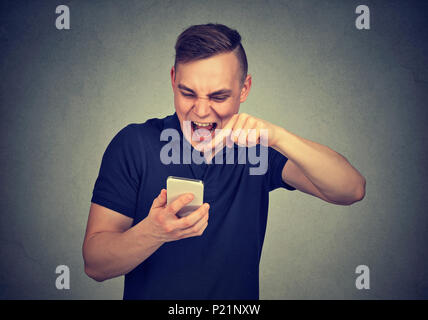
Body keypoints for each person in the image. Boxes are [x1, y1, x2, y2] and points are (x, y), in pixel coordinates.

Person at [82, 23, 366, 299]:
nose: (202, 111)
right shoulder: (134, 144)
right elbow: (95, 265)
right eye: (187, 93)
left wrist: (278, 137)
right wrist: (153, 232)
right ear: (172, 80)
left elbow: (350, 190)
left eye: (219, 96)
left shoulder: (258, 147)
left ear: (244, 89)